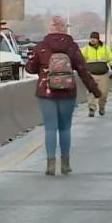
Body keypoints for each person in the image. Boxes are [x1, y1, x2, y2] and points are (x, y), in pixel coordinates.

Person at [27, 17, 102, 176]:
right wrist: (95, 91)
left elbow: (30, 68)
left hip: (46, 91)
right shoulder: (72, 47)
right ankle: (65, 163)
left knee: (50, 128)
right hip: (68, 92)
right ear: (64, 29)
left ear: (50, 28)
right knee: (65, 128)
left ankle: (50, 164)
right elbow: (83, 70)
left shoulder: (41, 47)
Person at [80, 32, 112, 117]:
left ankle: (102, 106)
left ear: (98, 39)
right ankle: (92, 108)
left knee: (103, 93)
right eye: (91, 38)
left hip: (103, 74)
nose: (92, 40)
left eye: (94, 38)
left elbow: (110, 58)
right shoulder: (86, 49)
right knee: (91, 92)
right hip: (91, 74)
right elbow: (79, 59)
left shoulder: (105, 48)